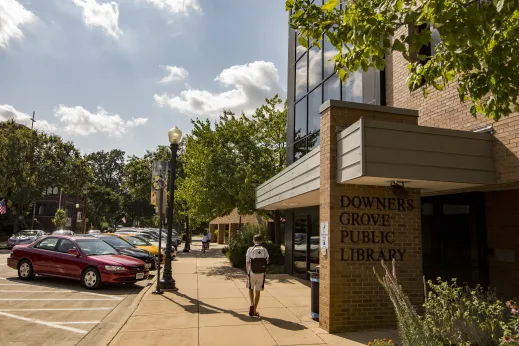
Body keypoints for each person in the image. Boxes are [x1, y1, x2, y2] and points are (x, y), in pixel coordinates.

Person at [246, 234, 269, 317]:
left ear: (253, 240)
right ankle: (255, 310)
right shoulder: (264, 250)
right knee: (258, 291)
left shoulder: (250, 249)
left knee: (250, 288)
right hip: (261, 273)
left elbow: (247, 262)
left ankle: (251, 303)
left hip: (252, 272)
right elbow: (267, 262)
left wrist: (248, 273)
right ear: (261, 241)